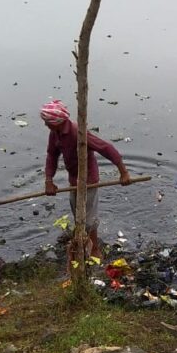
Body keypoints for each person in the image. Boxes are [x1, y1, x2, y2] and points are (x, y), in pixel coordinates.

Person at [40, 99, 131, 255]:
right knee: (78, 214)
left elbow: (105, 148)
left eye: (48, 122)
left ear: (58, 122)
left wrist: (123, 172)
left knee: (88, 218)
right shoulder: (55, 133)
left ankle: (95, 249)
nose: (45, 125)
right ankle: (82, 241)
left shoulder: (77, 132)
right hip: (73, 180)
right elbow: (52, 155)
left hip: (88, 180)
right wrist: (49, 180)